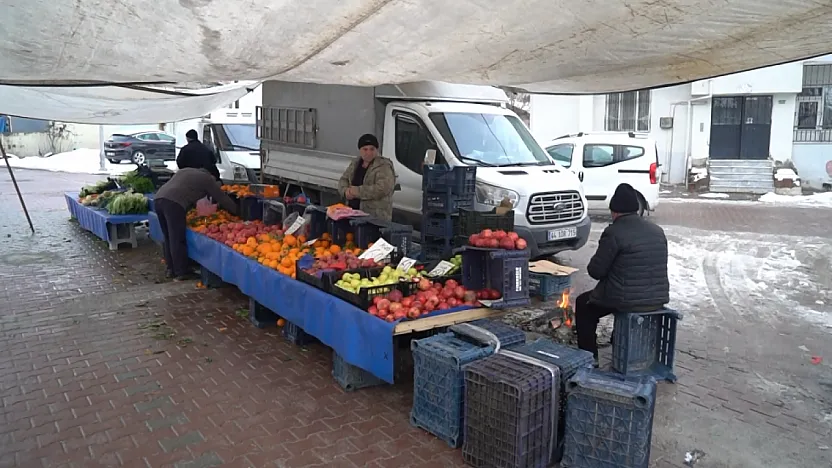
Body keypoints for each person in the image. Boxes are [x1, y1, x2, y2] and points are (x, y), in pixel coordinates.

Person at [575, 183, 670, 365]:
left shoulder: (614, 232)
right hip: (657, 298)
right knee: (621, 293)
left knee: (583, 305)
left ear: (615, 212)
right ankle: (618, 340)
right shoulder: (657, 231)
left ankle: (589, 358)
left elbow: (595, 271)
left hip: (627, 300)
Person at [155, 167, 238, 280]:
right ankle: (181, 272)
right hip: (174, 204)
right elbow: (222, 198)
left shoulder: (186, 171)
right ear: (212, 176)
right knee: (177, 238)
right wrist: (237, 211)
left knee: (168, 236)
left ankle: (171, 269)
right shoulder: (207, 179)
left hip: (158, 198)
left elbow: (187, 193)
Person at [337, 133, 396, 221]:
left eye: (372, 149)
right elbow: (343, 179)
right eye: (365, 149)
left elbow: (382, 189)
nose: (368, 153)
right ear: (360, 150)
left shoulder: (384, 166)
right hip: (352, 213)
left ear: (377, 150)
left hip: (374, 218)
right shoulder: (356, 163)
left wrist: (358, 191)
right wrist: (345, 191)